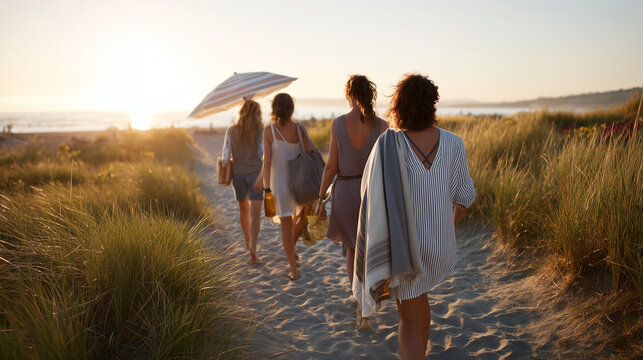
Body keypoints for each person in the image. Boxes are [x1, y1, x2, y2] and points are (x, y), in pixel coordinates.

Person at [353, 74, 476, 359]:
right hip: (441, 248)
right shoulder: (454, 143)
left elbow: (369, 195)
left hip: (405, 249)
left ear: (399, 106)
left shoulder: (390, 144)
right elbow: (466, 198)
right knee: (421, 299)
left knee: (407, 319)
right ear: (432, 105)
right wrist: (450, 225)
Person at [315, 74, 387, 327]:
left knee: (351, 250)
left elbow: (331, 166)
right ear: (370, 95)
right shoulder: (383, 126)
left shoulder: (338, 124)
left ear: (349, 95)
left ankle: (361, 307)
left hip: (345, 192)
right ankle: (369, 297)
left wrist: (320, 197)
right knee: (371, 250)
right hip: (373, 194)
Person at [253, 93, 313, 280]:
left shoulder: (269, 131)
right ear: (291, 109)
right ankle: (293, 253)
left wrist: (264, 187)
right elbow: (310, 152)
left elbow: (267, 162)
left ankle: (293, 269)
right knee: (298, 218)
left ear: (274, 109)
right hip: (300, 182)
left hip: (279, 184)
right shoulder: (300, 128)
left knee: (286, 227)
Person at [222, 100, 264, 265]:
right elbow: (262, 153)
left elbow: (225, 157)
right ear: (257, 113)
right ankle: (253, 247)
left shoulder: (231, 130)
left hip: (238, 174)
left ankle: (247, 240)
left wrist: (235, 157)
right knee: (255, 214)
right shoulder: (260, 130)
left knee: (243, 210)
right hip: (255, 174)